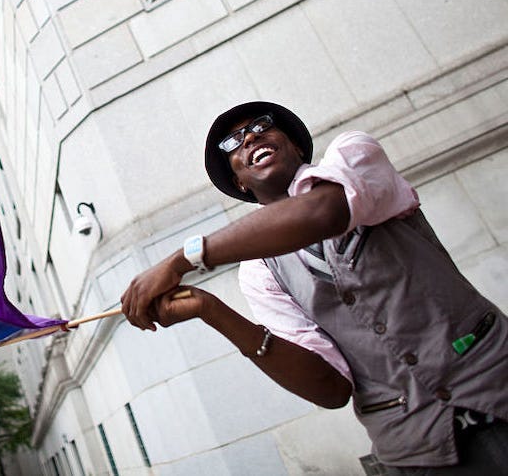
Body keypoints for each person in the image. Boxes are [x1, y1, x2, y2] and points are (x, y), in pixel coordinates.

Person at [120, 101, 508, 473]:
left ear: (293, 143)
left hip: (497, 389)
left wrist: (183, 259)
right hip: (417, 452)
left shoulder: (355, 157)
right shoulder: (260, 273)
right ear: (238, 179)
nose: (250, 138)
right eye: (233, 143)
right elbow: (330, 390)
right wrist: (211, 310)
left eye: (261, 126)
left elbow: (322, 213)